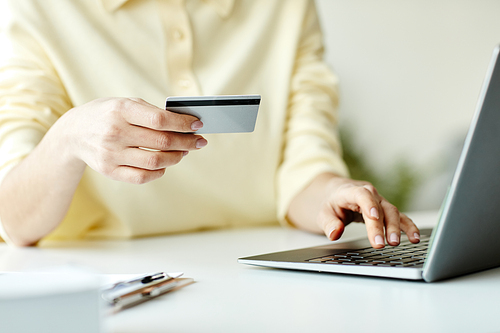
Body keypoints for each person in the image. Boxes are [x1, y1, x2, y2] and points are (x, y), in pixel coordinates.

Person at [0, 0, 420, 248]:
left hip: (256, 274)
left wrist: (333, 191)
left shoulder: (285, 8)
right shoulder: (43, 10)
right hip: (112, 285)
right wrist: (69, 137)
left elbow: (303, 167)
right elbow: (13, 218)